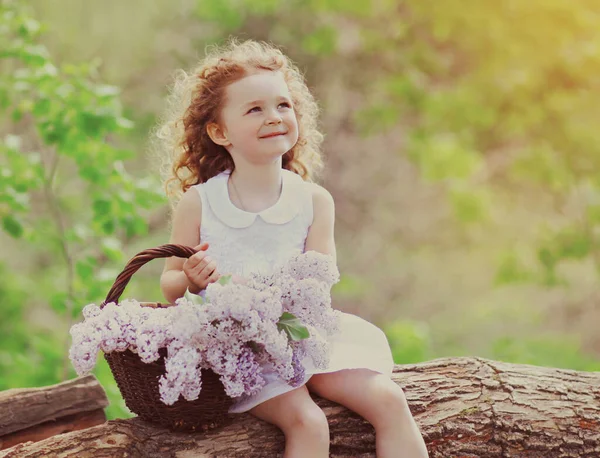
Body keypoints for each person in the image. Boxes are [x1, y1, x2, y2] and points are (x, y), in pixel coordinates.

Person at [157, 38, 429, 458]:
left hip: (301, 334)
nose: (274, 117)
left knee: (389, 401)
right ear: (219, 131)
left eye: (282, 105)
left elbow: (320, 284)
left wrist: (284, 307)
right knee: (308, 422)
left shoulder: (314, 201)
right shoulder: (200, 203)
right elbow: (169, 284)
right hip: (239, 349)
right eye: (255, 109)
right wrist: (192, 281)